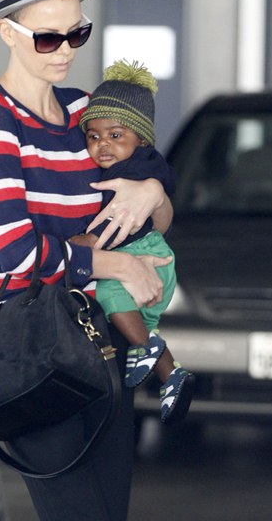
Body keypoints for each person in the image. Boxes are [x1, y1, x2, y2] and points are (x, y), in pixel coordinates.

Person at [0, 0, 173, 521]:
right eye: (49, 38)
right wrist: (118, 263)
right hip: (30, 349)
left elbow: (158, 212)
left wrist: (152, 190)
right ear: (8, 31)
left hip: (105, 340)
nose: (67, 50)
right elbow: (18, 256)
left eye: (78, 32)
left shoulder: (85, 112)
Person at [71, 59, 195, 425]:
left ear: (141, 138)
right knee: (142, 325)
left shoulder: (134, 170)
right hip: (155, 262)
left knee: (110, 292)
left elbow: (118, 220)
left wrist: (88, 240)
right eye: (93, 137)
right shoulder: (139, 166)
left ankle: (147, 349)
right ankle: (171, 375)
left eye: (115, 135)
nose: (102, 145)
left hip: (145, 255)